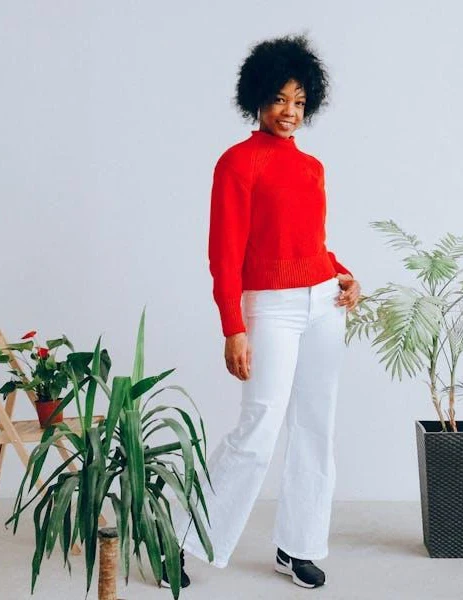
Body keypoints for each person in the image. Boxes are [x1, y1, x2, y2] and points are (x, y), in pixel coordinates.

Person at [170, 34, 360, 590]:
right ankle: (180, 540)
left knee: (315, 428)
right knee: (257, 430)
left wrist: (343, 273)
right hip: (269, 309)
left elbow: (311, 245)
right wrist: (233, 327)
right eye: (280, 99)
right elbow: (224, 256)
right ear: (257, 98)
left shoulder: (313, 168)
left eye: (300, 102)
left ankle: (296, 546)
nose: (290, 112)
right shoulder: (236, 164)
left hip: (324, 303)